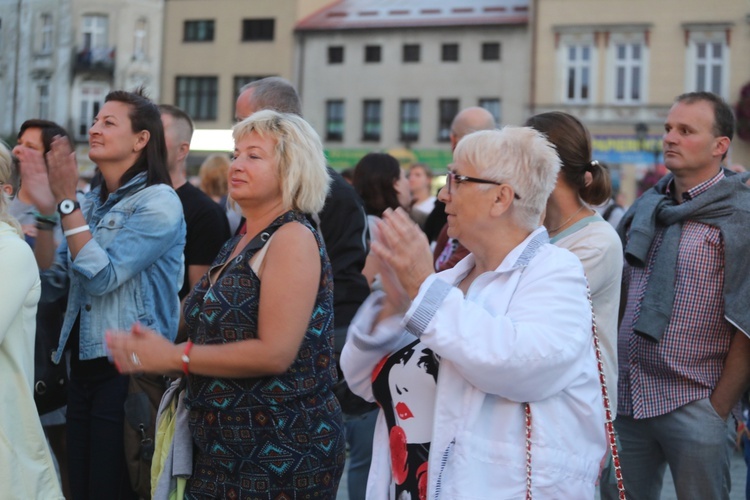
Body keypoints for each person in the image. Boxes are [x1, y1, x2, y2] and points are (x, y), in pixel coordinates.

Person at [341, 127, 607, 498]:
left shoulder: (556, 271)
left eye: (456, 179)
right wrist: (389, 308)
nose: (442, 193)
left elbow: (522, 363)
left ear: (501, 198)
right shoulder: (449, 281)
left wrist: (421, 286)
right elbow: (361, 383)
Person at [106, 110, 346, 498]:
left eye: (253, 156)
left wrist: (175, 357)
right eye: (236, 154)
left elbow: (275, 353)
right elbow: (201, 318)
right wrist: (142, 336)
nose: (236, 164)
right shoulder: (241, 240)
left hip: (281, 451)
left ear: (292, 168)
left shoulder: (292, 237)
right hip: (223, 448)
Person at [14, 88, 186, 499]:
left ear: (141, 140)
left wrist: (67, 201)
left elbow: (101, 277)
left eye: (109, 122)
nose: (94, 129)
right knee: (82, 487)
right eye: (95, 120)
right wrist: (45, 208)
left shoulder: (158, 202)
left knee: (113, 489)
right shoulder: (92, 204)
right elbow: (53, 278)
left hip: (129, 374)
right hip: (81, 369)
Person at [236, 76, 373, 500]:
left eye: (250, 146)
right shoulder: (260, 214)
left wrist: (178, 355)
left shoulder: (306, 217)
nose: (237, 158)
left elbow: (283, 340)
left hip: (303, 381)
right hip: (251, 420)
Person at [615, 91, 750, 499]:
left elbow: (747, 322)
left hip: (694, 400)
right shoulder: (645, 207)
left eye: (686, 130)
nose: (670, 138)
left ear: (719, 146)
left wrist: (718, 408)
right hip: (627, 397)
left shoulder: (741, 216)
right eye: (668, 128)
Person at [10, 119, 73, 498]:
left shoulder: (66, 216)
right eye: (19, 144)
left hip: (44, 371)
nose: (19, 152)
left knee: (52, 464)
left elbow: (53, 284)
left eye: (31, 147)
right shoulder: (8, 202)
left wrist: (46, 224)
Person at [159, 105, 230, 303]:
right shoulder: (126, 197)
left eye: (158, 132)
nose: (147, 139)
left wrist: (161, 334)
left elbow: (198, 297)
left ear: (182, 150)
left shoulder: (205, 213)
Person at [432, 106, 496, 272]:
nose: (442, 195)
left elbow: (441, 281)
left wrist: (416, 273)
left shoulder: (482, 227)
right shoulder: (454, 224)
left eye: (458, 180)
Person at [352, 152, 412, 287]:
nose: (409, 183)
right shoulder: (376, 228)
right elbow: (365, 283)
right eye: (404, 177)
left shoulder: (360, 221)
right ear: (394, 183)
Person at [407, 163, 435, 228]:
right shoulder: (405, 203)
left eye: (417, 175)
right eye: (410, 175)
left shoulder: (435, 204)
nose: (411, 179)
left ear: (428, 180)